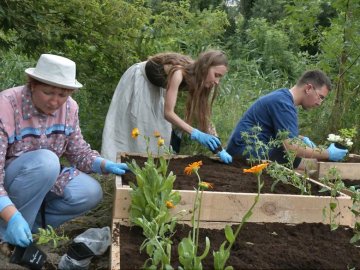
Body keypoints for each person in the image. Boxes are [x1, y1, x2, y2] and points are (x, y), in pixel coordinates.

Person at [0, 54, 129, 248]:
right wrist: (11, 215)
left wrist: (103, 164)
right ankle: (8, 227)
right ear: (33, 84)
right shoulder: (7, 106)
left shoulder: (70, 109)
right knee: (47, 162)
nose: (54, 101)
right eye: (48, 92)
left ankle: (30, 229)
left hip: (45, 175)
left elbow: (77, 152)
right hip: (9, 183)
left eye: (62, 95)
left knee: (90, 192)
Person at [101, 50, 232, 164]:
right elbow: (168, 113)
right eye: (216, 75)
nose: (217, 81)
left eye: (220, 77)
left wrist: (219, 148)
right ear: (205, 67)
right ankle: (117, 167)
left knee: (159, 134)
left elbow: (203, 115)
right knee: (138, 129)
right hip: (140, 81)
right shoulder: (179, 73)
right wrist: (196, 133)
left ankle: (148, 170)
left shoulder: (202, 82)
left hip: (157, 88)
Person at [226, 69, 348, 168]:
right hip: (245, 153)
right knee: (297, 160)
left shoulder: (282, 98)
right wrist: (327, 154)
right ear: (308, 88)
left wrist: (301, 138)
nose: (319, 103)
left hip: (243, 149)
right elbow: (291, 148)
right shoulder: (283, 105)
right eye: (320, 97)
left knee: (300, 157)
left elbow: (277, 132)